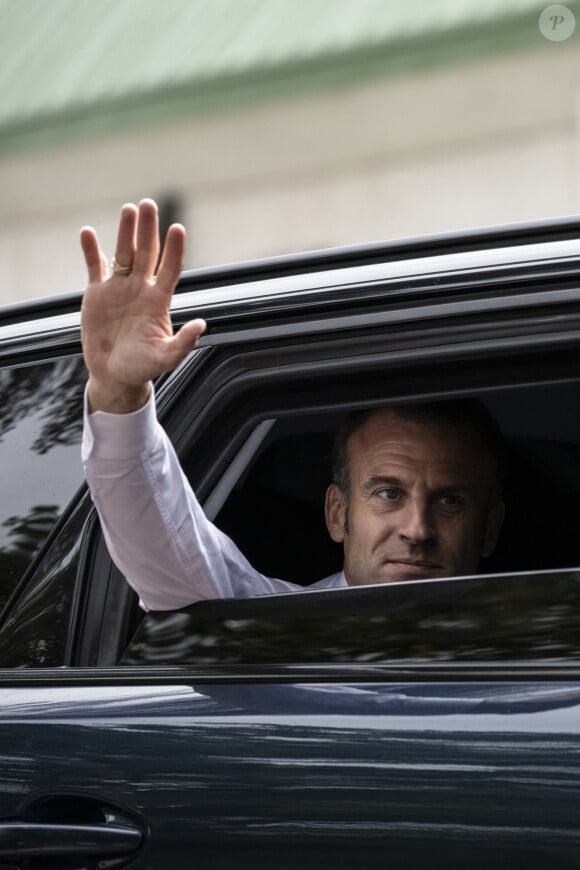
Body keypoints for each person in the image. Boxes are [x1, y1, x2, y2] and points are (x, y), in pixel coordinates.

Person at [81, 199, 505, 611]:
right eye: (389, 493)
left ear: (488, 530)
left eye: (450, 501)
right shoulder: (279, 634)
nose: (417, 529)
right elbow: (174, 553)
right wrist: (119, 394)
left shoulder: (549, 648)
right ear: (338, 514)